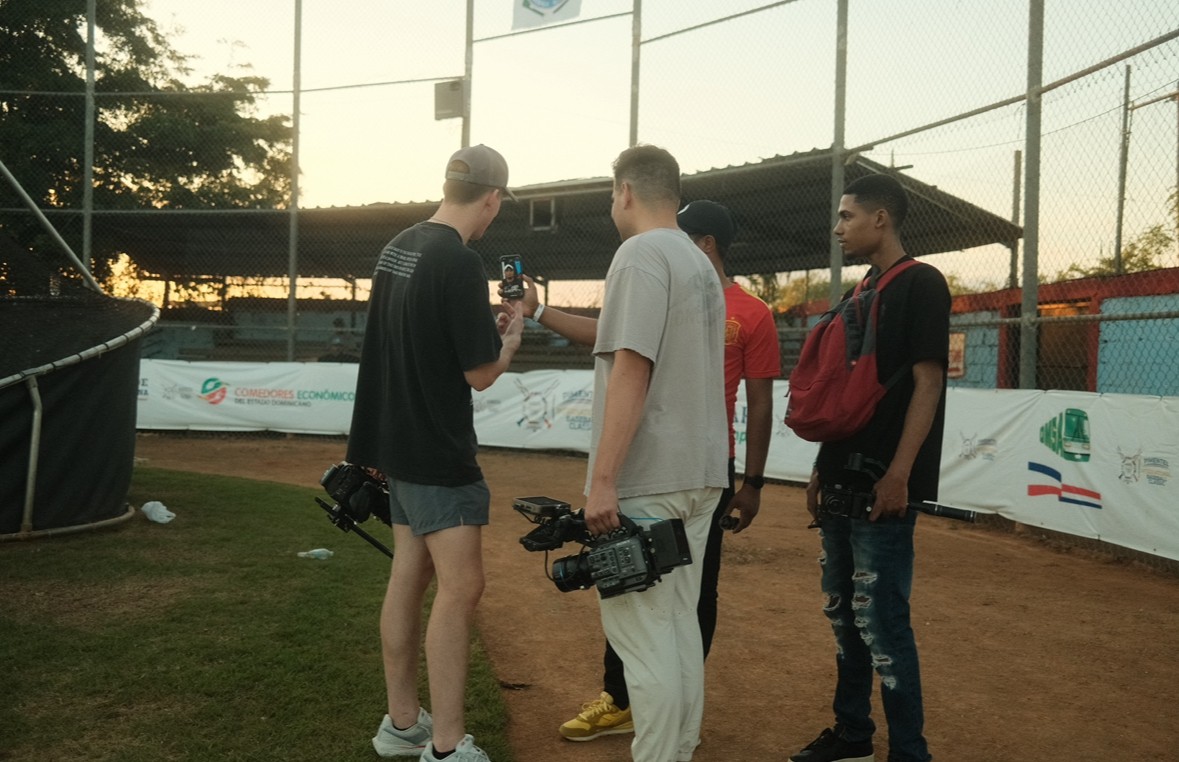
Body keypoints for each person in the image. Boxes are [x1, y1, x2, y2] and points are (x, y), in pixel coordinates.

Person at [518, 200, 781, 743]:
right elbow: (614, 334)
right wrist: (538, 311)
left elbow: (636, 366)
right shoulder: (695, 280)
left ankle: (658, 736)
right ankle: (656, 726)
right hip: (692, 469)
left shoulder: (663, 263)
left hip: (669, 467)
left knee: (659, 619)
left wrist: (605, 479)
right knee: (672, 614)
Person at [346, 144, 524, 762]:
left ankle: (402, 725)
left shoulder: (401, 244)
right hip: (437, 449)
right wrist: (513, 337)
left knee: (410, 573)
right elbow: (479, 373)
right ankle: (446, 745)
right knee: (460, 588)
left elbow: (405, 344)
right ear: (493, 198)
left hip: (396, 441)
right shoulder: (456, 259)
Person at [790, 173, 950, 762]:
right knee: (844, 619)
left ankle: (910, 752)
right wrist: (817, 471)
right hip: (839, 482)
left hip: (883, 485)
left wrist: (900, 474)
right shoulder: (863, 287)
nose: (838, 229)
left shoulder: (922, 284)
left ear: (881, 219)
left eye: (847, 216)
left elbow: (928, 383)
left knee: (882, 624)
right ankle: (853, 733)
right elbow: (841, 395)